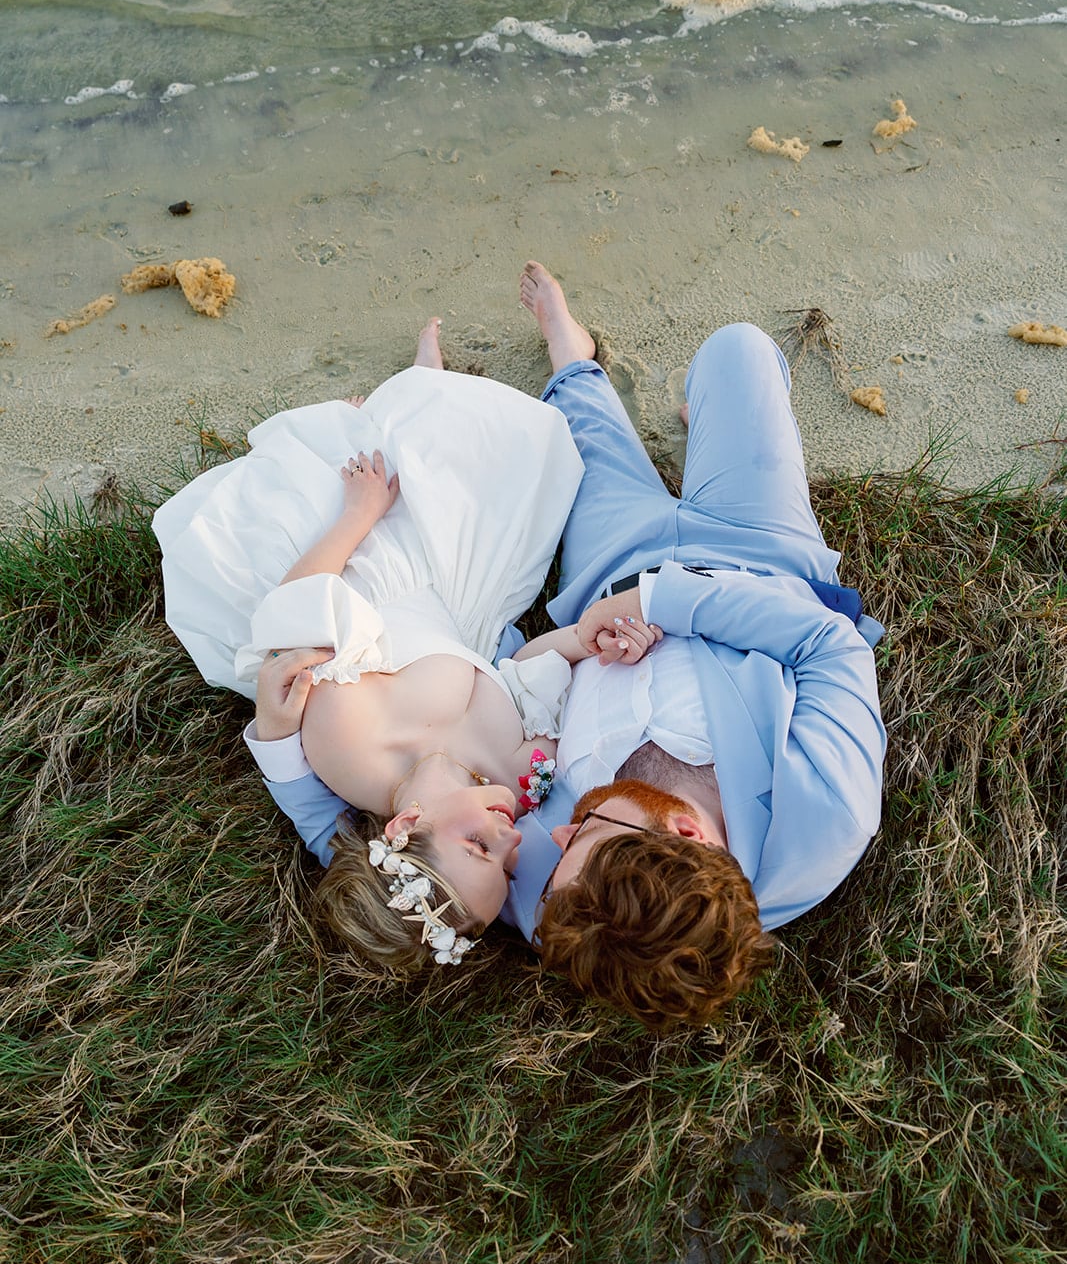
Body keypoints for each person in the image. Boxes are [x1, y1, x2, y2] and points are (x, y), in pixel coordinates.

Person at [252, 265, 887, 1028]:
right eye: (578, 836)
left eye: (568, 848)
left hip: (603, 566)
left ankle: (572, 361)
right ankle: (611, 369)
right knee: (739, 350)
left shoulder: (543, 887)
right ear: (687, 834)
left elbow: (369, 858)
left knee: (579, 440)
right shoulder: (826, 818)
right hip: (757, 551)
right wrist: (661, 600)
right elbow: (831, 648)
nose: (546, 837)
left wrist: (280, 738)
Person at [152, 315, 659, 973]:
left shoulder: (348, 743)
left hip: (362, 570)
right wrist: (583, 642)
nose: (511, 839)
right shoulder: (515, 779)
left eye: (481, 847)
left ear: (401, 826)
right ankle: (416, 392)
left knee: (374, 470)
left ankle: (393, 406)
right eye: (507, 864)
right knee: (510, 456)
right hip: (457, 597)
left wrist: (359, 514)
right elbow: (517, 677)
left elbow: (302, 606)